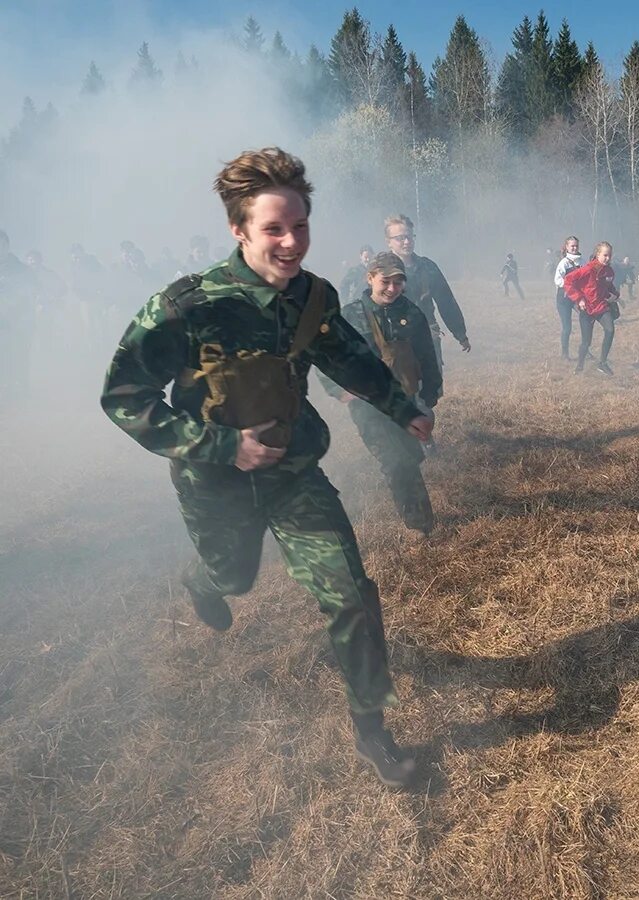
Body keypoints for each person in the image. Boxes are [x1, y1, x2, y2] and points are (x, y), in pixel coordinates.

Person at [100, 147, 432, 788]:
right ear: (239, 229)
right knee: (235, 573)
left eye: (300, 226)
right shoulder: (185, 307)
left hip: (292, 471)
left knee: (352, 595)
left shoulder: (313, 298)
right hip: (213, 481)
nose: (290, 243)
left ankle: (374, 732)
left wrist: (401, 406)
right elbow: (123, 398)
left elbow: (352, 360)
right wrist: (225, 448)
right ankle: (204, 579)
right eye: (274, 229)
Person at [330, 250, 441, 534]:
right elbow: (327, 355)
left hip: (405, 400)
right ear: (370, 278)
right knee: (396, 461)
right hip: (369, 407)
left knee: (410, 457)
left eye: (398, 282)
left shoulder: (411, 313)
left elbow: (427, 355)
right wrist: (338, 390)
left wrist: (430, 391)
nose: (392, 288)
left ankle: (420, 520)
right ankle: (420, 526)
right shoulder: (350, 315)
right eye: (385, 281)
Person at [383, 215, 471, 374]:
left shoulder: (428, 267)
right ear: (388, 241)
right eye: (400, 238)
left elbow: (446, 302)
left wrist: (460, 333)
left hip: (427, 337)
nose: (407, 242)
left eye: (410, 237)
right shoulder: (380, 271)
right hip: (394, 340)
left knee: (429, 391)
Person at [564, 241, 619, 376]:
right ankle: (580, 365)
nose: (608, 258)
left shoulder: (609, 271)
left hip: (601, 307)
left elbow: (609, 286)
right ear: (597, 254)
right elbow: (568, 280)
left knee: (610, 330)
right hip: (587, 309)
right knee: (586, 342)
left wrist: (615, 295)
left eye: (610, 255)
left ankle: (603, 363)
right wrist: (579, 298)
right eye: (605, 255)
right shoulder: (587, 269)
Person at [0, 229, 33, 397]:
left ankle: (20, 389)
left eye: (1, 244)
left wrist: (14, 314)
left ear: (7, 246)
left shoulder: (19, 268)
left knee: (18, 356)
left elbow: (27, 295)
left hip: (17, 321)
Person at [553, 235, 582, 360]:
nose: (574, 248)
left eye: (576, 245)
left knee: (586, 322)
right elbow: (558, 280)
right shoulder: (563, 263)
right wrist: (571, 286)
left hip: (577, 298)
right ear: (567, 247)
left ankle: (585, 349)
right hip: (564, 299)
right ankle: (565, 354)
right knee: (567, 327)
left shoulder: (583, 261)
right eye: (572, 246)